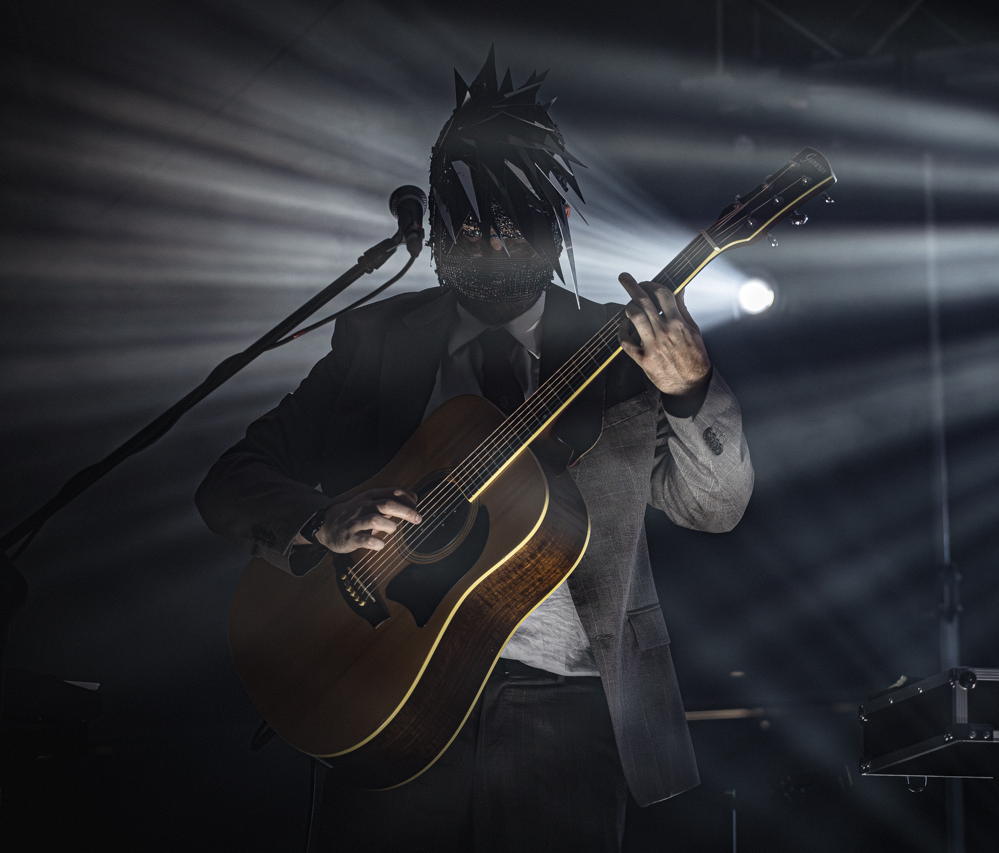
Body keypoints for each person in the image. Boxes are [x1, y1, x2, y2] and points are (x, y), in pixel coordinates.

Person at [195, 49, 754, 853]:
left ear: (553, 223)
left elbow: (716, 507)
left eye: (506, 224)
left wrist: (692, 390)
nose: (486, 244)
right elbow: (230, 482)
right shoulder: (376, 341)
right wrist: (321, 521)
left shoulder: (618, 352)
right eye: (465, 224)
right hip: (381, 685)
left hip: (569, 709)